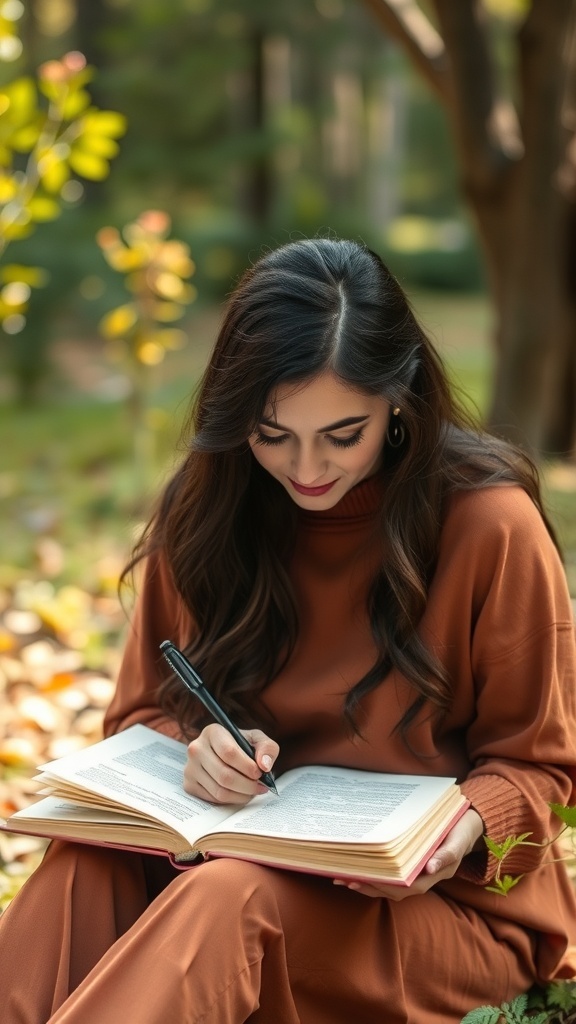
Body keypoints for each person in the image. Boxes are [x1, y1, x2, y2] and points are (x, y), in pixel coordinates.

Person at [1, 237, 576, 1024]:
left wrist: (467, 825)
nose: (306, 468)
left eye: (343, 434)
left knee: (233, 898)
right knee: (84, 865)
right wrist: (196, 752)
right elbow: (139, 719)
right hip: (235, 864)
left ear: (399, 397)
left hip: (442, 914)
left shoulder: (487, 527)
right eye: (273, 433)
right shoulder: (207, 514)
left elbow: (542, 769)